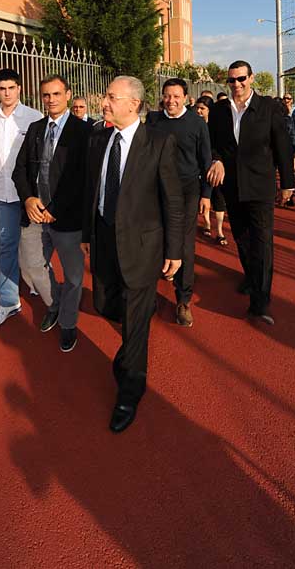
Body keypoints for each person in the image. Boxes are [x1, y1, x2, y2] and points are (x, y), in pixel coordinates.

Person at [81, 76, 183, 433]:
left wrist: (175, 250)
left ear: (134, 104)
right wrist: (87, 235)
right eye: (105, 96)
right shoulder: (100, 138)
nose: (103, 102)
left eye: (111, 97)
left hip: (143, 247)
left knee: (135, 325)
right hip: (105, 241)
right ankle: (132, 342)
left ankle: (130, 389)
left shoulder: (159, 141)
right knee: (106, 306)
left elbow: (173, 201)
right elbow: (92, 191)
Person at [207, 61, 294, 326]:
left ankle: (260, 301)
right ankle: (251, 276)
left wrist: (287, 183)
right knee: (242, 237)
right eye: (232, 80)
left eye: (241, 79)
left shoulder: (269, 108)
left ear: (252, 78)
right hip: (232, 186)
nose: (237, 85)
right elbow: (213, 144)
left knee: (262, 241)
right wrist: (216, 159)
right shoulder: (220, 110)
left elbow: (283, 147)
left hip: (260, 186)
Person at [14, 74, 91, 353]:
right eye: (46, 95)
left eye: (56, 94)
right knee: (31, 264)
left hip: (67, 218)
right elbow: (19, 170)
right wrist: (29, 199)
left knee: (72, 275)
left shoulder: (84, 132)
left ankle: (68, 322)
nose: (51, 100)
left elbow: (83, 180)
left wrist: (54, 208)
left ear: (68, 95)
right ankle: (55, 304)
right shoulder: (35, 129)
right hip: (35, 213)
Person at [0, 68, 43, 327]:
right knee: (6, 246)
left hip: (30, 195)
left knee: (35, 248)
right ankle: (8, 301)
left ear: (19, 89)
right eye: (2, 88)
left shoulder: (33, 117)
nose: (7, 93)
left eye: (11, 88)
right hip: (2, 195)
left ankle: (38, 283)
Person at [146, 79, 212, 327]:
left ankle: (183, 301)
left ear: (185, 97)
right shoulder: (153, 121)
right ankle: (148, 296)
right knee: (153, 241)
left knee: (183, 246)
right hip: (155, 190)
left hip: (186, 192)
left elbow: (206, 161)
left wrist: (206, 194)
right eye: (167, 96)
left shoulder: (197, 123)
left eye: (176, 96)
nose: (171, 101)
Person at [194, 95, 228, 244]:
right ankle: (207, 223)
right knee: (204, 197)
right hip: (199, 170)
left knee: (219, 200)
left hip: (216, 168)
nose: (199, 111)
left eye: (202, 108)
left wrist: (218, 161)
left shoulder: (216, 127)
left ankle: (220, 231)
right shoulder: (193, 125)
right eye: (197, 108)